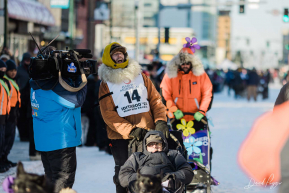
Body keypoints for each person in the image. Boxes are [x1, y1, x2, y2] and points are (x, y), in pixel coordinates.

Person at [98, 42, 168, 193]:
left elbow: (155, 100)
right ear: (109, 58)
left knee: (149, 170)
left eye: (121, 53)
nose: (119, 56)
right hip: (120, 136)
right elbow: (108, 114)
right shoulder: (106, 83)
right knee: (124, 172)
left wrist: (161, 121)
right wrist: (131, 131)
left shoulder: (140, 76)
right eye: (115, 54)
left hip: (146, 131)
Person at [29, 46, 87, 193]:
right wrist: (81, 76)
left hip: (44, 140)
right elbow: (76, 100)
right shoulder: (55, 87)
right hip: (61, 141)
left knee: (51, 180)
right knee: (63, 180)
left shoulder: (35, 83)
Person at [119, 130, 194, 193]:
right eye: (151, 144)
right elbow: (123, 176)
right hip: (143, 188)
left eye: (157, 143)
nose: (154, 146)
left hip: (167, 187)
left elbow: (188, 171)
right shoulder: (136, 157)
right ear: (146, 146)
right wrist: (142, 178)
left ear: (163, 144)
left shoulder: (173, 154)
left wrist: (171, 177)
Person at [160, 43, 213, 131]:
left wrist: (202, 111)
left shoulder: (201, 75)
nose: (185, 65)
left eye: (188, 63)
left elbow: (207, 94)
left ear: (192, 63)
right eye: (182, 63)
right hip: (176, 119)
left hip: (197, 118)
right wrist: (174, 110)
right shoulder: (170, 76)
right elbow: (165, 94)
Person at [2, 60, 21, 169]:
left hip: (13, 113)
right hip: (8, 113)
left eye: (14, 70)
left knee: (11, 138)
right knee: (6, 137)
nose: (13, 72)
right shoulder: (6, 82)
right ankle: (2, 158)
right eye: (11, 70)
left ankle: (5, 158)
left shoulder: (13, 81)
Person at [0, 60, 11, 173]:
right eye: (1, 70)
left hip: (3, 115)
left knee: (3, 140)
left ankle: (2, 160)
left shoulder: (4, 82)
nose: (3, 72)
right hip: (1, 115)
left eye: (4, 70)